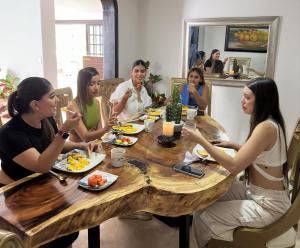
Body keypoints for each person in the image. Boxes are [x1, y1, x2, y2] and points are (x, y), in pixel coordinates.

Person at [182, 77, 290, 248]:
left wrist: (201, 140)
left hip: (268, 205)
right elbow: (260, 155)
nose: (242, 101)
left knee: (206, 216)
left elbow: (233, 167)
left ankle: (214, 243)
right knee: (203, 200)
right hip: (255, 191)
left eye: (247, 97)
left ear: (262, 100)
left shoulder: (266, 128)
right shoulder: (269, 122)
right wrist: (234, 145)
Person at [0, 77, 84, 247]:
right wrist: (64, 131)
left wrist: (81, 145)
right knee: (54, 236)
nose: (57, 100)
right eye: (52, 96)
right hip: (17, 193)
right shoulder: (10, 133)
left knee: (72, 223)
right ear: (35, 104)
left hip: (41, 185)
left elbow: (53, 145)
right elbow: (42, 165)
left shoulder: (46, 119)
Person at [68, 67, 116, 142]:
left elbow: (99, 133)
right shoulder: (73, 105)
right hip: (77, 150)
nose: (96, 88)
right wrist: (106, 129)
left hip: (93, 147)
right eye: (91, 84)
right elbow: (85, 137)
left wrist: (109, 125)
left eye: (98, 83)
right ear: (82, 85)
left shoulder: (96, 102)